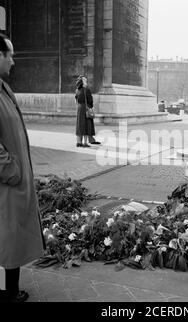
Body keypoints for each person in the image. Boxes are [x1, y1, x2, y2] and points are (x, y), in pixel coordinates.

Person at [0, 33, 45, 302]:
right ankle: (9, 294)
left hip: (11, 183)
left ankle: (11, 291)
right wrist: (12, 170)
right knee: (7, 239)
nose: (13, 61)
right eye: (10, 55)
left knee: (10, 238)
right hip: (7, 182)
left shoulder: (4, 89)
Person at [75, 76, 100, 147]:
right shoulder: (87, 90)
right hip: (86, 108)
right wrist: (91, 107)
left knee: (79, 125)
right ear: (82, 82)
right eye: (85, 80)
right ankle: (85, 143)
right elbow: (90, 101)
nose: (86, 81)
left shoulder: (77, 90)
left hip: (79, 109)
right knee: (86, 125)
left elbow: (76, 100)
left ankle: (79, 142)